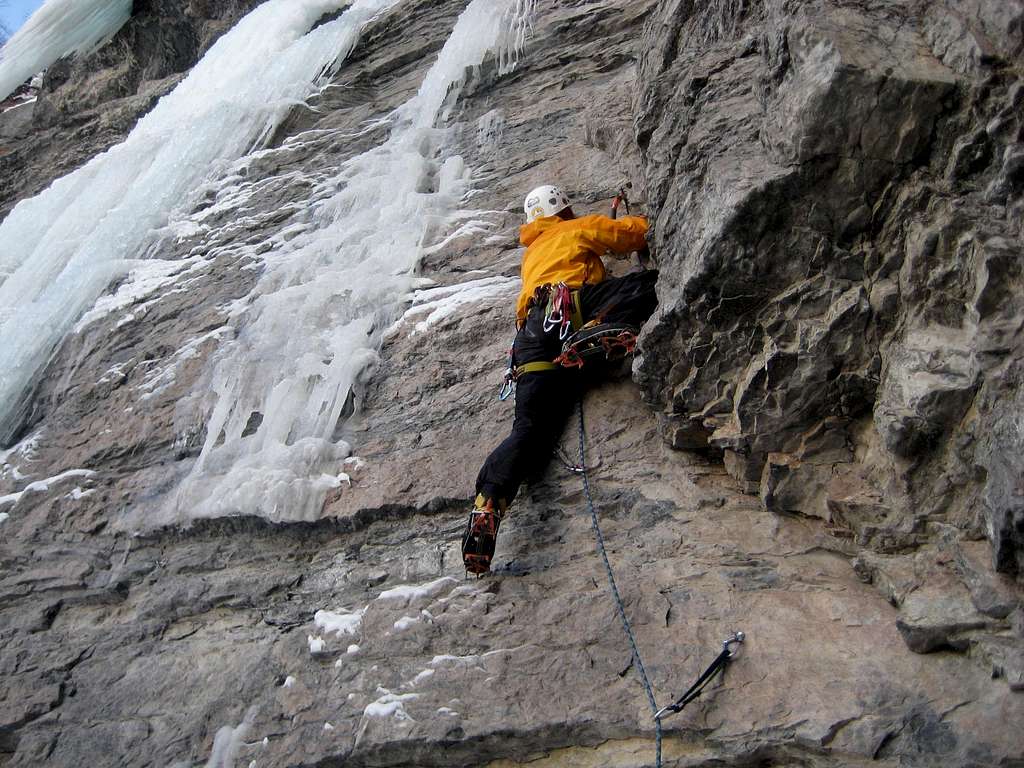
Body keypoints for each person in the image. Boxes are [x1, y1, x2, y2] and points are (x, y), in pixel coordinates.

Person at [462, 184, 658, 574]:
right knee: (647, 284)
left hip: (531, 340)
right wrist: (638, 220)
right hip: (571, 312)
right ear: (563, 211)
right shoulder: (571, 229)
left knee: (529, 430)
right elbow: (628, 235)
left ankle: (488, 504)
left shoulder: (533, 252)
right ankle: (600, 330)